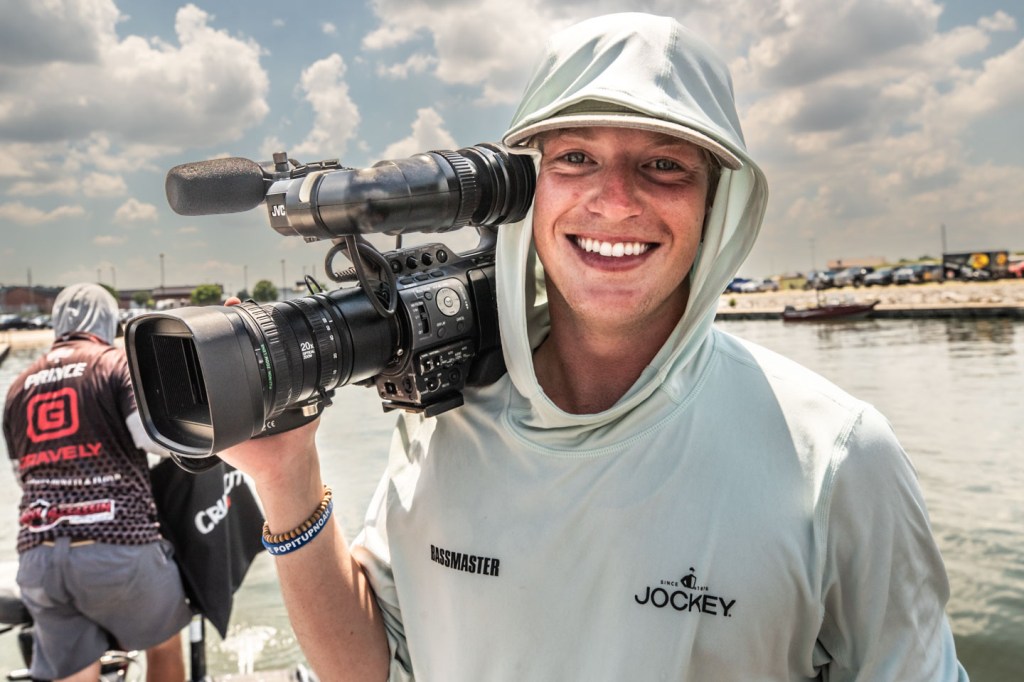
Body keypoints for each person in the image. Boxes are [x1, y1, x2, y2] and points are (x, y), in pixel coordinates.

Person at [219, 13, 969, 681]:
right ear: (526, 190)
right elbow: (375, 669)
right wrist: (287, 477)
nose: (614, 200)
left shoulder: (837, 458)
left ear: (716, 205)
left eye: (664, 164)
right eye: (575, 157)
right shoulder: (443, 415)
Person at [3, 283, 192, 682]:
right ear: (109, 321)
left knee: (74, 672)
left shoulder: (18, 386)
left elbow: (23, 475)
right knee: (164, 644)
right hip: (117, 548)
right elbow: (154, 440)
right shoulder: (114, 364)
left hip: (39, 559)